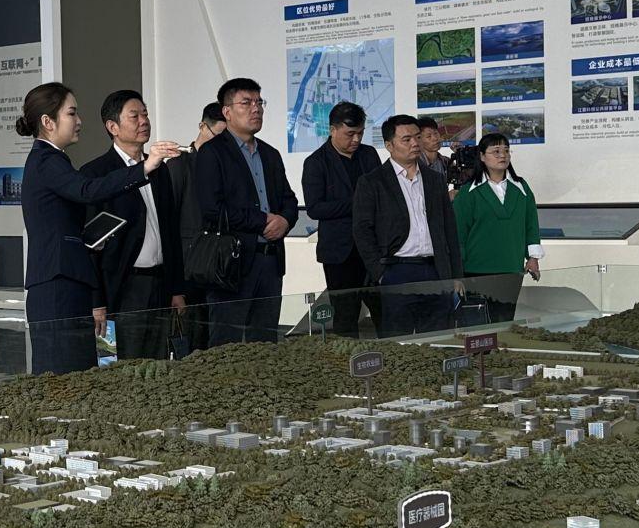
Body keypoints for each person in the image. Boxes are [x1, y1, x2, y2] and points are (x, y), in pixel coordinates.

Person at [16, 84, 180, 374]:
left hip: (68, 279)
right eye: (71, 113)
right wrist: (144, 168)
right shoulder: (46, 160)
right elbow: (87, 190)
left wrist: (89, 238)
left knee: (78, 373)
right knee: (63, 375)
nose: (79, 121)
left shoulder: (53, 159)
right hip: (58, 283)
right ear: (48, 122)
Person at [192, 77, 298, 345]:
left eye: (259, 102)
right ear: (227, 112)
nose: (256, 109)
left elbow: (289, 199)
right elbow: (212, 210)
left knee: (264, 343)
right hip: (232, 262)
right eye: (247, 103)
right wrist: (262, 221)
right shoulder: (212, 153)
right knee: (226, 344)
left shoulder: (270, 154)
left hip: (270, 261)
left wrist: (285, 221)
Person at [83, 90, 185, 362]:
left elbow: (170, 231)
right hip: (123, 286)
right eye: (134, 116)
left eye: (145, 114)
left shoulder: (160, 169)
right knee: (121, 365)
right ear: (113, 127)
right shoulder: (97, 173)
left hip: (161, 284)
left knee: (158, 364)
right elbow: (90, 244)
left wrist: (176, 288)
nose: (144, 121)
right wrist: (96, 300)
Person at [352, 114, 463, 338]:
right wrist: (380, 273)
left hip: (435, 269)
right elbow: (362, 231)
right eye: (407, 139)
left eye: (417, 137)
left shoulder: (434, 179)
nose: (415, 143)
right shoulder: (372, 182)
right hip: (396, 270)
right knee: (397, 341)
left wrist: (456, 274)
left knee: (437, 338)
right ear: (389, 145)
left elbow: (449, 229)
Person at [301, 101, 380, 336]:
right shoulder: (316, 162)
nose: (356, 139)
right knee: (345, 317)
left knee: (385, 311)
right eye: (350, 134)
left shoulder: (368, 155)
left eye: (360, 133)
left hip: (373, 248)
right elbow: (315, 208)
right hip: (340, 252)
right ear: (332, 130)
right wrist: (357, 203)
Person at [452, 130, 542, 324]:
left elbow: (531, 224)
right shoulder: (469, 192)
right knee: (479, 326)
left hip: (511, 268)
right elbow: (458, 234)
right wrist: (457, 275)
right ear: (482, 157)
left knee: (504, 322)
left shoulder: (521, 187)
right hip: (476, 271)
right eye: (496, 151)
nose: (503, 155)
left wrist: (533, 258)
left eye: (506, 150)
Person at [168, 101, 227, 352]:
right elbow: (169, 219)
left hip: (220, 263)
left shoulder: (226, 165)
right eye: (218, 135)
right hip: (189, 264)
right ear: (203, 127)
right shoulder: (179, 163)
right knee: (193, 336)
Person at [416, 116, 453, 187]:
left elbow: (466, 178)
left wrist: (459, 153)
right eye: (429, 136)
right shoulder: (415, 164)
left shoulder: (445, 161)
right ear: (419, 140)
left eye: (436, 133)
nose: (435, 138)